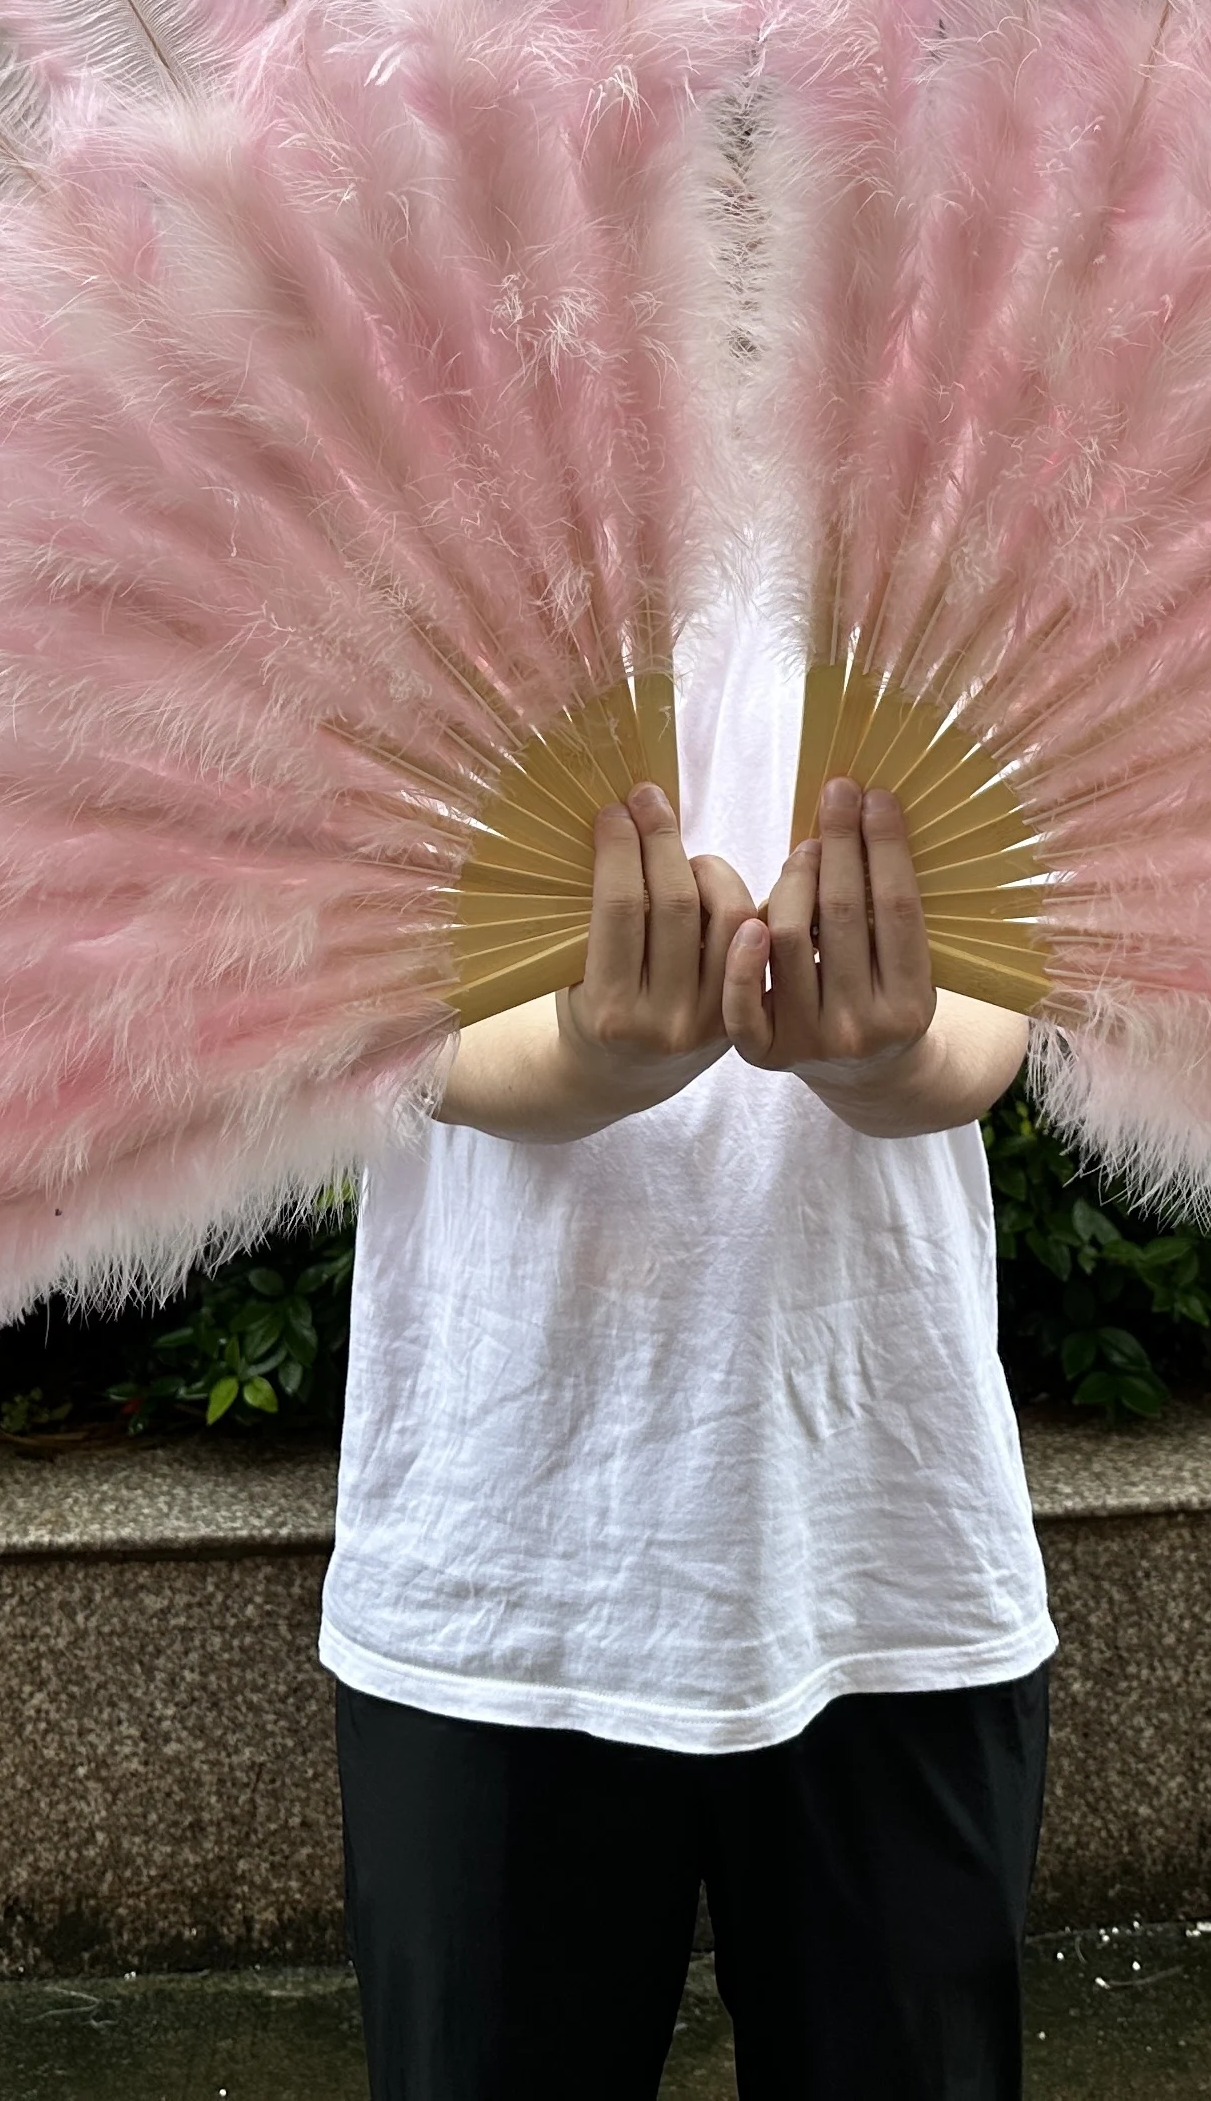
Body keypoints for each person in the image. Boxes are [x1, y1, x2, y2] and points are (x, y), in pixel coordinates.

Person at [322, 600, 1054, 2099]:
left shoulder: (949, 526)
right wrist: (591, 1059)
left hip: (883, 1554)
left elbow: (986, 1018)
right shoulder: (416, 511)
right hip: (503, 1574)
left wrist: (888, 1047)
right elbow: (372, 1021)